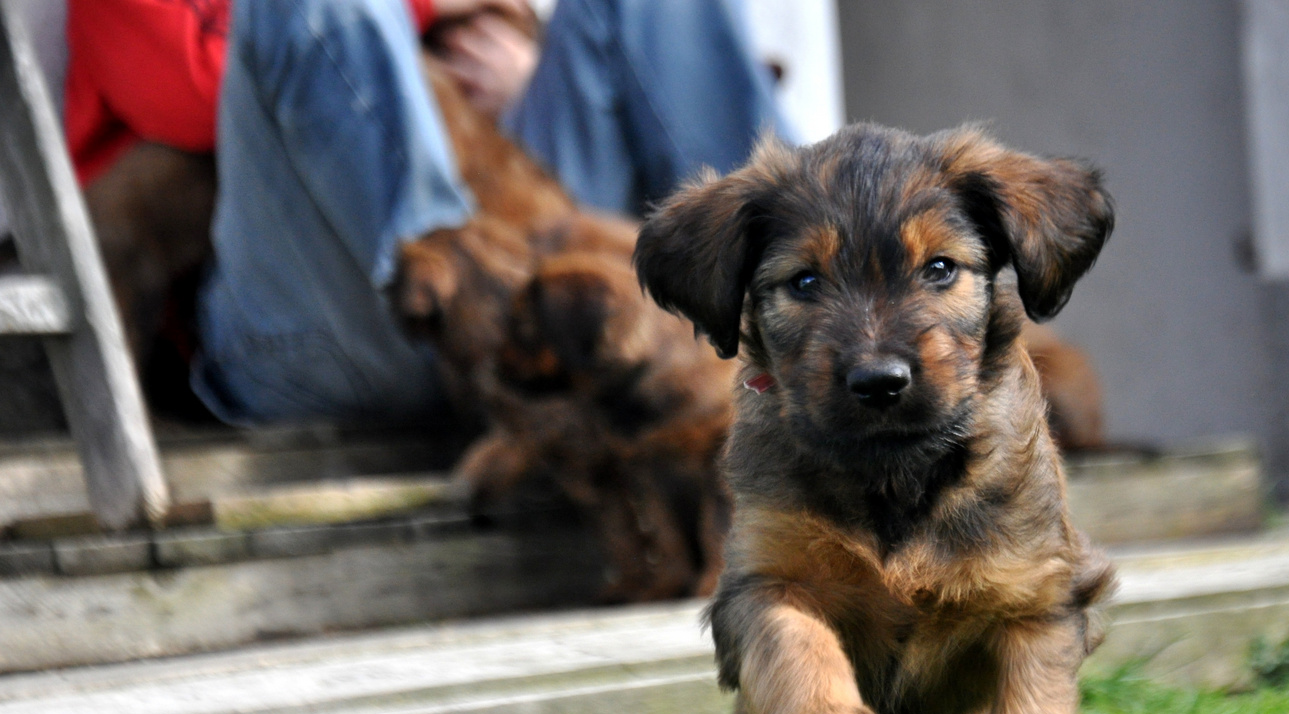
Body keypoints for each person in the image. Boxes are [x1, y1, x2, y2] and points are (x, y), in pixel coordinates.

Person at [65, 0, 783, 425]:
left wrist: (530, 76)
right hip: (319, 322)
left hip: (537, 255)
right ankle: (486, 316)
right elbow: (189, 99)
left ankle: (800, 285)